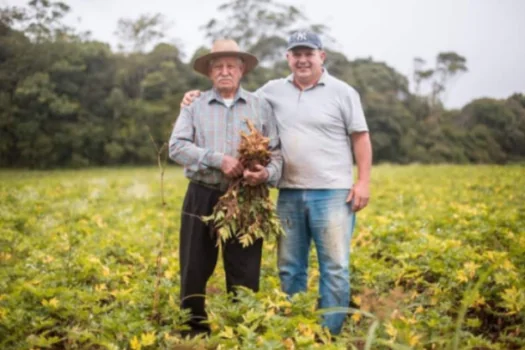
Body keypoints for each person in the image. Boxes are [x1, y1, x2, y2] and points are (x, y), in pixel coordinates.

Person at [180, 31, 372, 336]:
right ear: (288, 58)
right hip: (288, 193)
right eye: (296, 54)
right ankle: (292, 327)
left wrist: (363, 181)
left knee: (334, 266)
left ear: (322, 56)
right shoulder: (271, 92)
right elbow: (222, 105)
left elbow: (359, 137)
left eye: (309, 53)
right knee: (288, 267)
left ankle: (327, 333)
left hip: (330, 191)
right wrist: (193, 97)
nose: (302, 59)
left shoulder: (341, 92)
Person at [168, 39, 282, 338]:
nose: (225, 71)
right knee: (194, 265)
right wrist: (218, 160)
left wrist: (266, 173)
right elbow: (176, 147)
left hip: (247, 197)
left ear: (242, 69)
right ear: (209, 72)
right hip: (201, 193)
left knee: (245, 267)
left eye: (231, 65)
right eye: (218, 66)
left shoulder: (261, 106)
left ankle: (241, 327)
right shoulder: (195, 106)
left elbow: (278, 152)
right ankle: (193, 330)